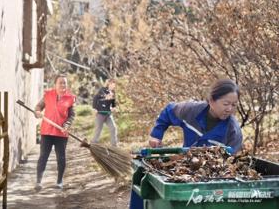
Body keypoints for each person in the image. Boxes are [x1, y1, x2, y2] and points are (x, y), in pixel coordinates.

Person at [129, 78, 243, 209]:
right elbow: (169, 111)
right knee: (142, 176)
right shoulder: (191, 111)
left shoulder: (233, 131)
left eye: (234, 105)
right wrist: (156, 134)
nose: (230, 109)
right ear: (211, 101)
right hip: (183, 168)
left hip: (212, 178)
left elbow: (232, 162)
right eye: (226, 103)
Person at [34, 74, 76, 190]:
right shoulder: (48, 95)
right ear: (55, 84)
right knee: (43, 157)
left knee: (61, 158)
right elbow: (39, 106)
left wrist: (67, 125)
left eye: (64, 83)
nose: (63, 85)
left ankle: (59, 181)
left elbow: (72, 115)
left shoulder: (70, 98)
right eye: (60, 82)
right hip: (47, 131)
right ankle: (38, 182)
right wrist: (37, 111)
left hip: (61, 133)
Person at [91, 78, 118, 146]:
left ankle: (114, 146)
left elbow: (113, 102)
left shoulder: (113, 92)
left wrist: (114, 108)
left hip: (108, 114)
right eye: (113, 84)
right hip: (100, 114)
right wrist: (94, 108)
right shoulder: (102, 90)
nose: (114, 86)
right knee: (98, 130)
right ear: (109, 83)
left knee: (113, 128)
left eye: (114, 85)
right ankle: (93, 144)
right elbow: (96, 98)